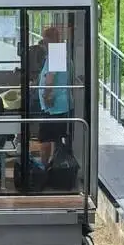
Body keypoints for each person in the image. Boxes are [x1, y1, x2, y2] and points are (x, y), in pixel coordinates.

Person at [37, 25, 75, 169]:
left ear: (51, 40)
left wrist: (46, 97)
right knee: (55, 138)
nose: (43, 44)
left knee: (46, 138)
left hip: (54, 106)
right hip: (59, 104)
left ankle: (44, 166)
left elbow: (50, 79)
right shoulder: (59, 54)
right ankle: (54, 165)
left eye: (45, 41)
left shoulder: (57, 54)